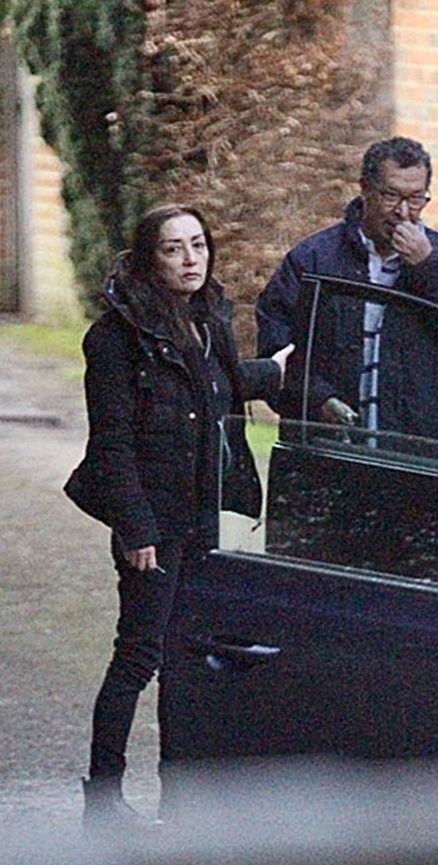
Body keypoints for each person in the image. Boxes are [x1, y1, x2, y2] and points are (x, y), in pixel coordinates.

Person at [64, 203, 293, 826]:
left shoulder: (209, 317)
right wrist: (135, 529)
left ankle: (183, 795)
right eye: (174, 249)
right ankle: (103, 800)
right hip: (155, 524)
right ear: (149, 260)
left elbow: (214, 386)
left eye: (198, 245)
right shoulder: (115, 338)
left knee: (187, 662)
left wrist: (272, 374)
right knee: (138, 656)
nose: (191, 260)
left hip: (206, 517)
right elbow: (111, 444)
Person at [256, 136, 438, 445]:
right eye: (390, 196)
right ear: (365, 190)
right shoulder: (313, 259)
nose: (403, 212)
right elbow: (275, 349)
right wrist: (318, 399)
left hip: (415, 456)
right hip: (328, 450)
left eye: (416, 199)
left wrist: (428, 266)